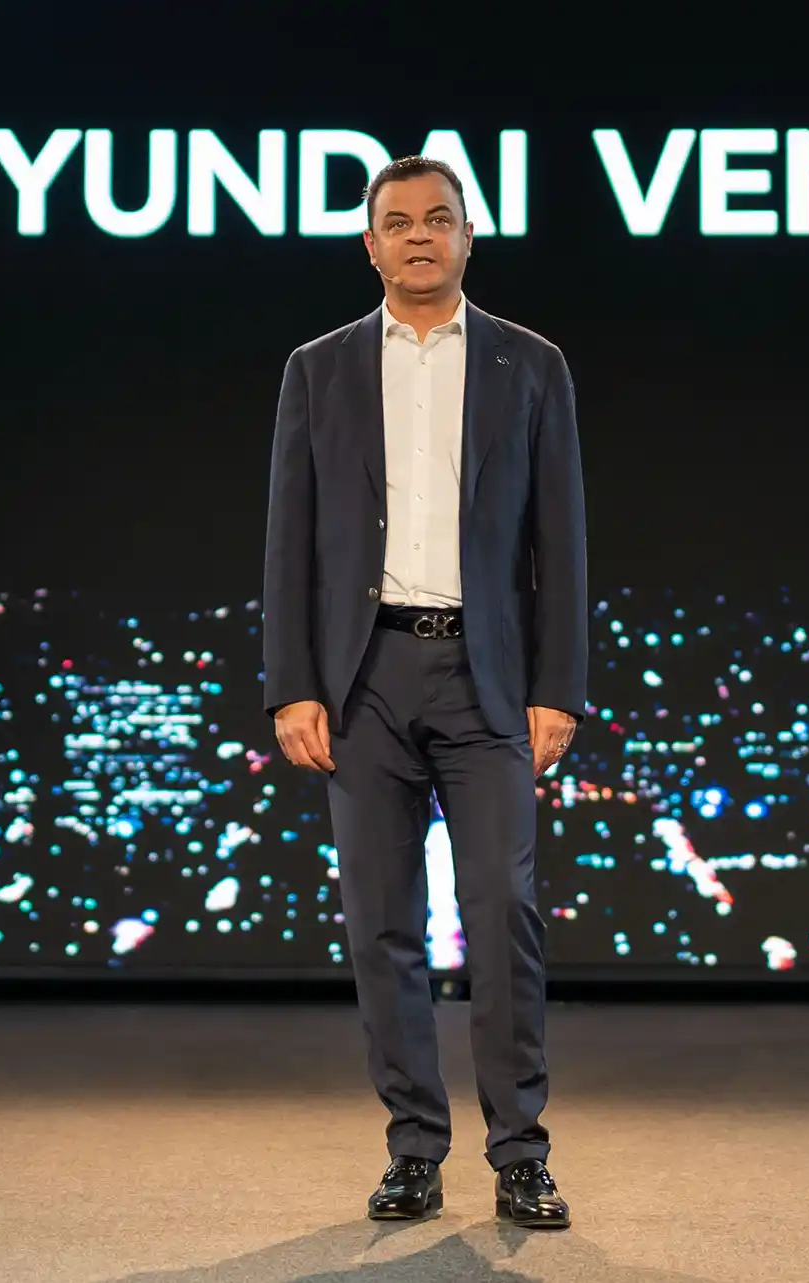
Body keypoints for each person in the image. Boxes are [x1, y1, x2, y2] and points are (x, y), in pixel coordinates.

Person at [261, 155, 587, 1229]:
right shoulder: (318, 367)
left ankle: (521, 1154)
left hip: (486, 677)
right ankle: (413, 1148)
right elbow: (290, 541)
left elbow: (561, 542)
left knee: (503, 914)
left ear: (466, 236)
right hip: (364, 680)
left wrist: (558, 685)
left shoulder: (530, 363)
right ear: (371, 245)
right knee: (381, 928)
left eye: (437, 219)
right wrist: (292, 685)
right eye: (397, 222)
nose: (418, 236)